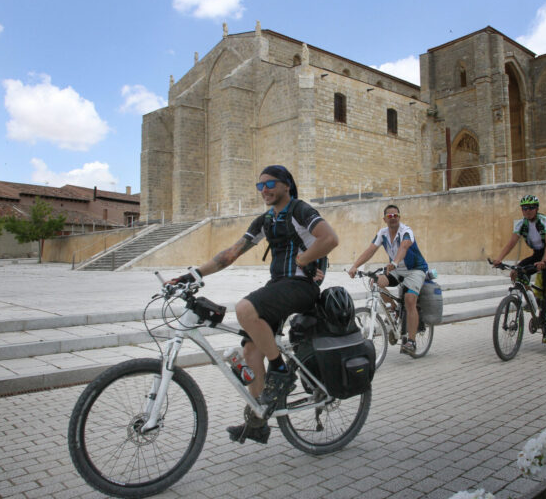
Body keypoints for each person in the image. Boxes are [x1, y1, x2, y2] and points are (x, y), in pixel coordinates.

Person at [168, 165, 338, 444]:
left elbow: (330, 239)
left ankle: (280, 371)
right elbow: (230, 254)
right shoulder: (265, 221)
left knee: (245, 309)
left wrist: (304, 259)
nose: (264, 190)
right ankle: (259, 420)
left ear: (286, 185)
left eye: (270, 184)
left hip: (302, 286)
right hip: (279, 286)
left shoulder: (300, 210)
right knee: (250, 351)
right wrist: (194, 274)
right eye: (260, 186)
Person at [347, 204, 428, 354]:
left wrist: (395, 262)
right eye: (389, 216)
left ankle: (411, 341)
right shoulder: (382, 233)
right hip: (396, 269)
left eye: (396, 215)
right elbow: (370, 250)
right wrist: (355, 266)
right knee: (375, 282)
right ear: (384, 219)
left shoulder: (406, 231)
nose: (393, 218)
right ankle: (394, 309)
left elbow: (404, 247)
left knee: (409, 299)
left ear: (399, 217)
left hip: (415, 270)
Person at [492, 195, 546, 344]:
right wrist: (499, 259)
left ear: (536, 209)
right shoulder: (521, 224)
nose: (527, 211)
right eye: (524, 208)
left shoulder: (545, 220)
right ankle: (533, 300)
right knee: (515, 273)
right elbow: (511, 243)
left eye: (531, 208)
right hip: (537, 255)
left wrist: (544, 261)